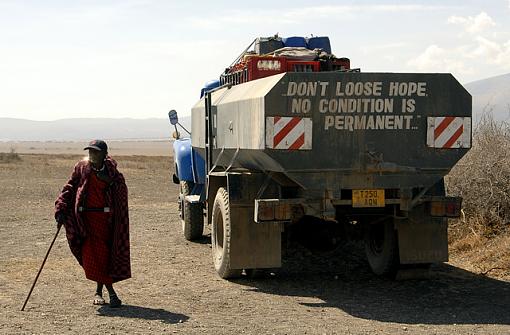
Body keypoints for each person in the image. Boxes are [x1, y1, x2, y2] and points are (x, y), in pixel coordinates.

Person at [55, 139, 130, 308]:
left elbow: (121, 190)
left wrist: (108, 181)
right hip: (84, 221)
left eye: (96, 152)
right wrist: (60, 209)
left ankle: (99, 291)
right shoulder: (81, 167)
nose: (92, 155)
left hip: (106, 221)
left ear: (105, 154)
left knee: (103, 256)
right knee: (93, 256)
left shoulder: (112, 171)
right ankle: (111, 293)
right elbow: (69, 188)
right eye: (90, 151)